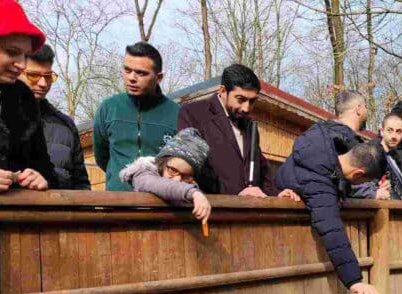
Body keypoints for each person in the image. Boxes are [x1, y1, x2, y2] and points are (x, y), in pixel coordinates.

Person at [275, 123, 384, 294]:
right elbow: (332, 229)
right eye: (364, 182)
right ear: (358, 175)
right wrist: (356, 282)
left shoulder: (326, 138)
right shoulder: (319, 182)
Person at [177, 64, 296, 199]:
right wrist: (236, 194)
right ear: (222, 91)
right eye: (241, 99)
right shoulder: (193, 113)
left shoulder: (250, 125)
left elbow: (261, 170)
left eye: (252, 101)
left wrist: (277, 193)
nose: (246, 108)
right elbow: (191, 167)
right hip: (209, 208)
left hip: (247, 212)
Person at [0, 0, 56, 193]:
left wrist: (41, 178)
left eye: (25, 55)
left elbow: (45, 167)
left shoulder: (25, 99)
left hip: (13, 220)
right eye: (12, 52)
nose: (22, 64)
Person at [93, 42, 179, 191]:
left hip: (160, 203)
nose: (132, 78)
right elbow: (102, 157)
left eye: (141, 73)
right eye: (127, 70)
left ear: (159, 77)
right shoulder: (108, 108)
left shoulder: (176, 113)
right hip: (117, 203)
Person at [18, 44, 90, 190]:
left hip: (59, 211)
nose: (43, 83)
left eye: (48, 76)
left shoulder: (66, 126)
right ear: (16, 72)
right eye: (33, 75)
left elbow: (81, 185)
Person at [119, 128, 212, 223]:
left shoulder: (189, 184)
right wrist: (193, 193)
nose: (177, 180)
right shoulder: (143, 174)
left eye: (186, 176)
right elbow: (161, 185)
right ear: (162, 162)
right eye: (172, 170)